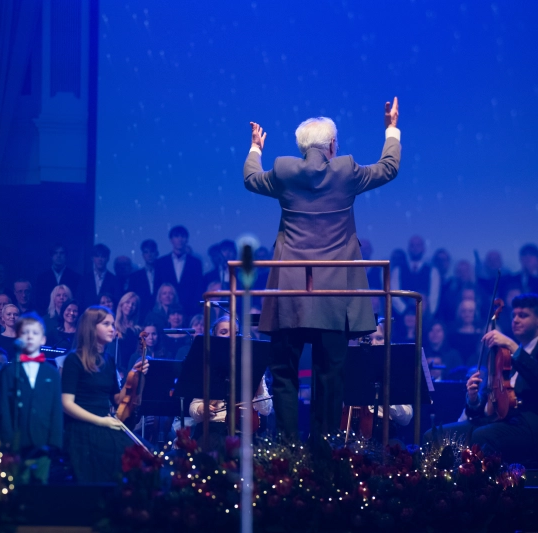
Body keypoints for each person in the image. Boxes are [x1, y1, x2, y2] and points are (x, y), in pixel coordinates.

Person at [244, 98, 401, 440]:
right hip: (335, 294)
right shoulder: (346, 171)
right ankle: (323, 450)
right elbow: (388, 168)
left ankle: (287, 448)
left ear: (303, 147)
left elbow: (251, 178)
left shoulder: (284, 171)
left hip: (290, 294)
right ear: (331, 145)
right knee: (329, 375)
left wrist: (256, 148)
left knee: (284, 372)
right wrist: (391, 128)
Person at [426, 293, 538, 465]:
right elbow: (488, 402)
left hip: (527, 425)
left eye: (523, 315)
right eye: (514, 315)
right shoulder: (505, 355)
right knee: (433, 436)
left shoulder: (515, 351)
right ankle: (440, 482)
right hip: (499, 421)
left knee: (482, 436)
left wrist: (513, 347)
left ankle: (474, 482)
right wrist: (474, 400)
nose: (515, 320)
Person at [61, 306, 149, 483]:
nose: (112, 329)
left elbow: (116, 398)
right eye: (106, 324)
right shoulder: (74, 359)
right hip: (82, 427)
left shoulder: (108, 360)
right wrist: (100, 421)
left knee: (147, 456)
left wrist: (134, 374)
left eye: (113, 324)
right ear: (91, 327)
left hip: (105, 423)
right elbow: (66, 404)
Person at [0, 313, 63, 484]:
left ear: (43, 339)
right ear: (17, 337)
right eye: (25, 332)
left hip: (43, 441)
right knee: (17, 486)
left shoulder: (51, 373)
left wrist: (55, 442)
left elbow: (56, 409)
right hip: (17, 441)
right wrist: (7, 440)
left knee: (41, 487)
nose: (29, 337)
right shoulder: (9, 372)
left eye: (34, 333)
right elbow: (5, 407)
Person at [189, 317, 272, 442]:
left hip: (244, 429)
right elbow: (194, 408)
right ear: (214, 337)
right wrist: (201, 409)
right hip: (214, 428)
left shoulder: (251, 364)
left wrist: (257, 378)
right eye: (224, 332)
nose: (230, 337)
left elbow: (266, 410)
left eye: (235, 333)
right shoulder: (207, 366)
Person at [155, 226, 204, 316]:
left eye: (183, 236)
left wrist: (196, 309)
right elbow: (158, 286)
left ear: (187, 240)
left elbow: (199, 288)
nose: (180, 239)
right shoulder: (161, 262)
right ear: (171, 240)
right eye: (176, 236)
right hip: (166, 310)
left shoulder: (196, 263)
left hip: (190, 310)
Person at [391, 235, 442, 318]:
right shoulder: (398, 270)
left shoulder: (433, 271)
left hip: (425, 318)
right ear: (408, 249)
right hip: (402, 318)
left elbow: (434, 297)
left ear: (424, 249)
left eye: (418, 245)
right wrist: (406, 311)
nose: (415, 248)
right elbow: (394, 295)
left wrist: (427, 315)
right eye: (412, 245)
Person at [34, 244, 81, 315]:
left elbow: (77, 300)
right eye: (55, 253)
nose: (58, 256)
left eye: (61, 253)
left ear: (66, 256)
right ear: (51, 256)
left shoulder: (76, 278)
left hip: (69, 316)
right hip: (47, 316)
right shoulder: (42, 278)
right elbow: (39, 301)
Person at [79, 244, 119, 309]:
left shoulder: (114, 280)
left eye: (103, 256)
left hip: (108, 314)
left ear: (108, 258)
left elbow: (116, 302)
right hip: (88, 314)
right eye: (97, 256)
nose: (100, 259)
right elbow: (79, 300)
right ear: (92, 258)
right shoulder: (84, 279)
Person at [128, 239, 160, 318]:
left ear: (156, 253)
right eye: (146, 252)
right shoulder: (135, 276)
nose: (149, 255)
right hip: (141, 315)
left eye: (152, 251)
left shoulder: (164, 274)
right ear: (143, 255)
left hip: (161, 315)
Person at [113, 292, 142, 373]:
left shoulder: (138, 330)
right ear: (121, 304)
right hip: (116, 367)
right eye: (127, 302)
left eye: (133, 304)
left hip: (132, 368)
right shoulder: (112, 326)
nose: (130, 306)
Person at [449, 299, 482, 366]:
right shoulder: (452, 335)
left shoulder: (480, 334)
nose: (467, 314)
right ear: (459, 313)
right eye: (464, 311)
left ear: (475, 313)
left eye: (470, 311)